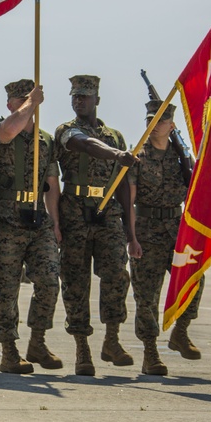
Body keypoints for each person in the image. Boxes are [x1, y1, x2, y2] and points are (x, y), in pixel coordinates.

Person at [54, 75, 138, 375]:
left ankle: (111, 340)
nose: (79, 101)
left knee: (117, 275)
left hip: (108, 215)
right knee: (76, 282)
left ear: (96, 100)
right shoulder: (66, 131)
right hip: (75, 213)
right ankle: (82, 348)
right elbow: (84, 145)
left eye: (85, 97)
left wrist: (132, 235)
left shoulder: (115, 136)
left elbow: (123, 187)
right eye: (75, 96)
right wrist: (116, 154)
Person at [0, 79, 63, 373]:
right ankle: (9, 351)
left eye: (27, 99)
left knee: (48, 279)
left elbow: (52, 184)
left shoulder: (45, 140)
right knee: (8, 289)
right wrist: (32, 103)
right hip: (8, 217)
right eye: (19, 100)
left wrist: (55, 222)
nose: (24, 103)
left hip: (37, 217)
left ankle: (37, 342)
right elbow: (9, 131)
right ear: (9, 104)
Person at [127, 100, 204, 376]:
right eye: (150, 119)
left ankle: (180, 332)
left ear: (171, 126)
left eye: (159, 120)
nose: (153, 124)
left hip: (176, 229)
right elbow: (130, 200)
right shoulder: (137, 156)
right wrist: (131, 237)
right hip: (146, 230)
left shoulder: (181, 157)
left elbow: (195, 196)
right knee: (146, 296)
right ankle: (150, 354)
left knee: (194, 278)